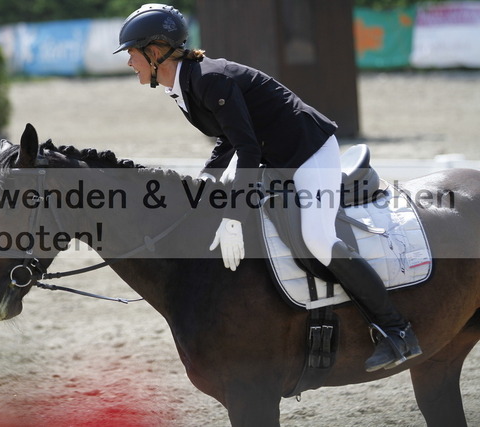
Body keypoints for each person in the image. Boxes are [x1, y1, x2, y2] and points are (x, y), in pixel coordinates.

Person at [113, 3, 421, 372]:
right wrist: (206, 182)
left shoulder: (209, 79)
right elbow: (228, 138)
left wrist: (232, 217)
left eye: (132, 53)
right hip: (274, 156)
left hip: (307, 151)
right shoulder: (183, 84)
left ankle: (396, 330)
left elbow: (247, 148)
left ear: (154, 51)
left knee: (317, 238)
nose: (129, 62)